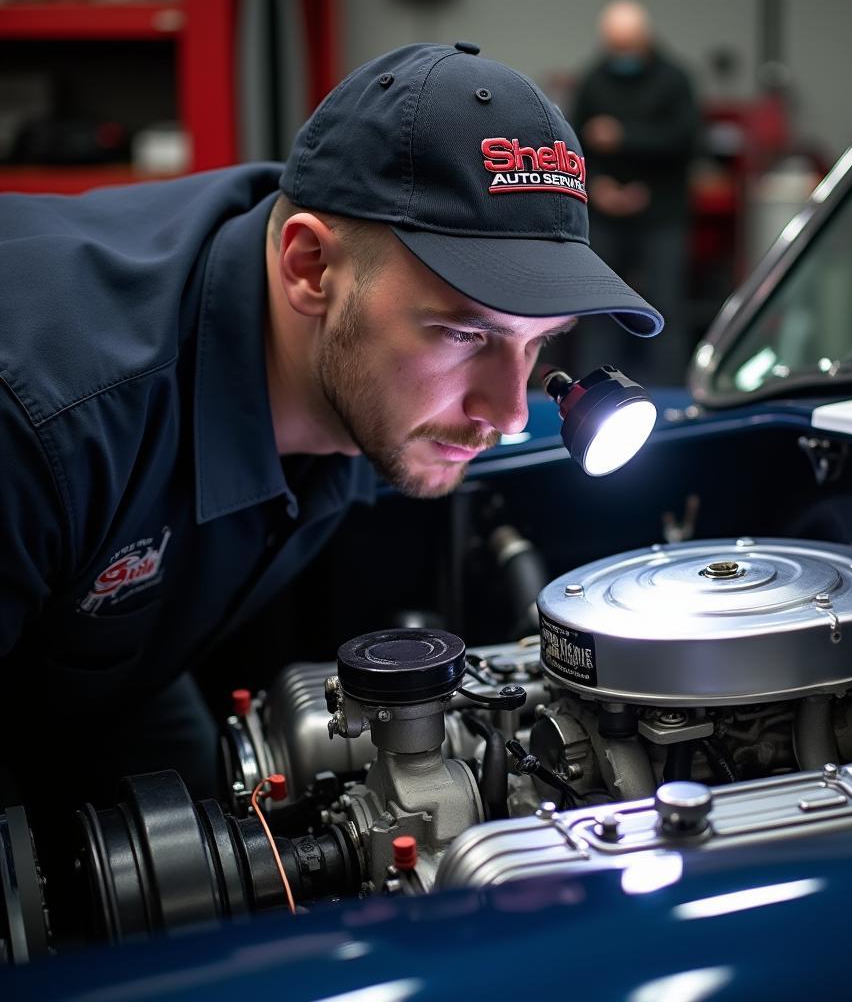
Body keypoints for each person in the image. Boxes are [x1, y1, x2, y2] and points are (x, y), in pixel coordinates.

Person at [0, 42, 662, 812]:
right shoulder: (43, 423)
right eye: (463, 334)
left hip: (109, 668)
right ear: (310, 266)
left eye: (539, 341)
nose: (508, 413)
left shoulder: (352, 357)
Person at [571, 0, 699, 384]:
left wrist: (624, 137)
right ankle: (593, 390)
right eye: (616, 47)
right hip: (606, 213)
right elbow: (573, 143)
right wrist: (596, 186)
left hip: (661, 213)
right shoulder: (593, 79)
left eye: (628, 46)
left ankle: (672, 397)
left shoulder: (675, 79)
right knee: (599, 309)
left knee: (665, 308)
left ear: (645, 39)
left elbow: (688, 141)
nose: (622, 55)